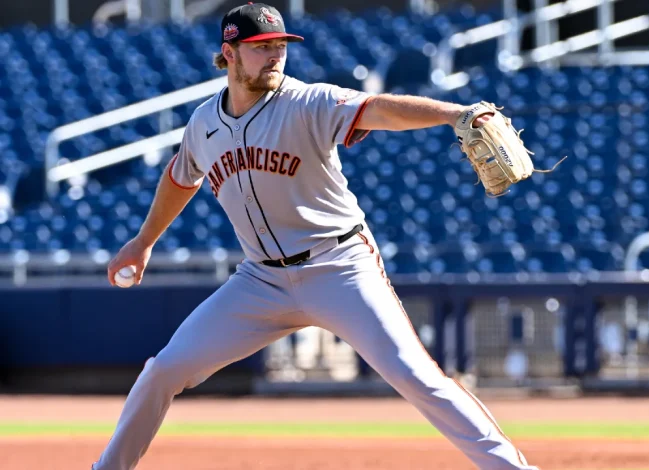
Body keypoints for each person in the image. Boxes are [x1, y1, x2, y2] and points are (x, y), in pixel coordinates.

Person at [93, 3, 539, 469]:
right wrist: (143, 242)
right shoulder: (204, 123)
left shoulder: (308, 102)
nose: (275, 55)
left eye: (280, 46)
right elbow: (180, 176)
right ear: (230, 52)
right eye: (261, 47)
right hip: (260, 281)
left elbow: (379, 109)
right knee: (163, 370)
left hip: (339, 267)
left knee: (416, 376)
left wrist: (455, 114)